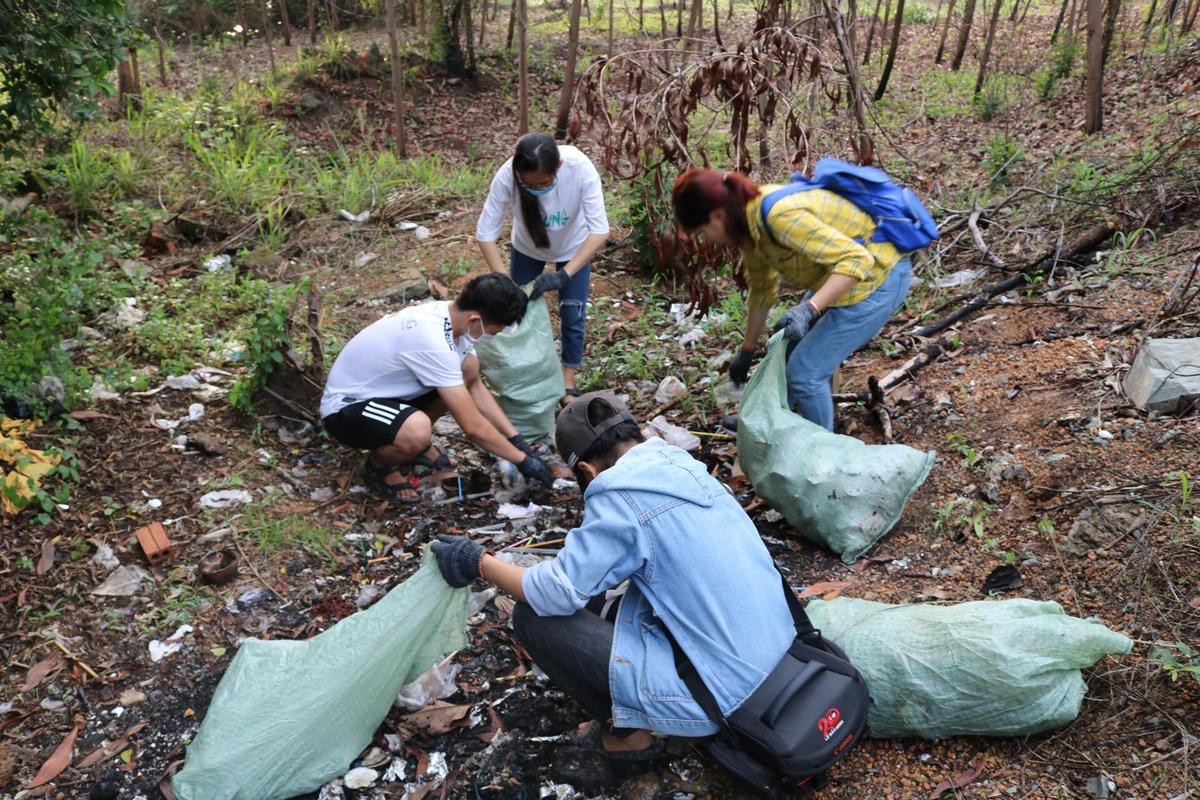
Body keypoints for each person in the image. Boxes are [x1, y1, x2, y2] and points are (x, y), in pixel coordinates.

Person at [431, 392, 795, 759]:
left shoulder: (620, 495)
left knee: (533, 617)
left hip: (726, 697)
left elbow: (554, 592)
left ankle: (631, 737)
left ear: (586, 471)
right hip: (786, 659)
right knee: (609, 598)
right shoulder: (682, 467)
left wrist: (480, 561)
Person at [671, 167, 914, 431]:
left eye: (702, 231)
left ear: (717, 216)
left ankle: (819, 453)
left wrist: (810, 309)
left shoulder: (778, 216)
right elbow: (763, 289)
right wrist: (747, 350)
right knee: (782, 354)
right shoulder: (749, 224)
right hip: (841, 277)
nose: (706, 239)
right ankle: (771, 426)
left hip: (878, 279)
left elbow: (858, 261)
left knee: (805, 375)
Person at [320, 273, 553, 502]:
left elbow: (475, 386)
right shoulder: (431, 339)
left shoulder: (451, 317)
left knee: (469, 367)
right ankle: (380, 466)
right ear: (475, 320)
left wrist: (516, 439)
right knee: (417, 431)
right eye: (494, 331)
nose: (493, 337)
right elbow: (473, 427)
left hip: (388, 394)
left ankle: (412, 447)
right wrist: (523, 461)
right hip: (347, 408)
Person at [475, 133, 610, 404]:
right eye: (529, 186)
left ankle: (567, 381)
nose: (537, 189)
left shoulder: (579, 169)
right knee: (519, 312)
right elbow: (485, 233)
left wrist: (564, 274)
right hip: (527, 247)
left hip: (574, 245)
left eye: (544, 183)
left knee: (573, 311)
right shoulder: (506, 177)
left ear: (558, 167)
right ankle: (527, 376)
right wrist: (506, 282)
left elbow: (600, 231)